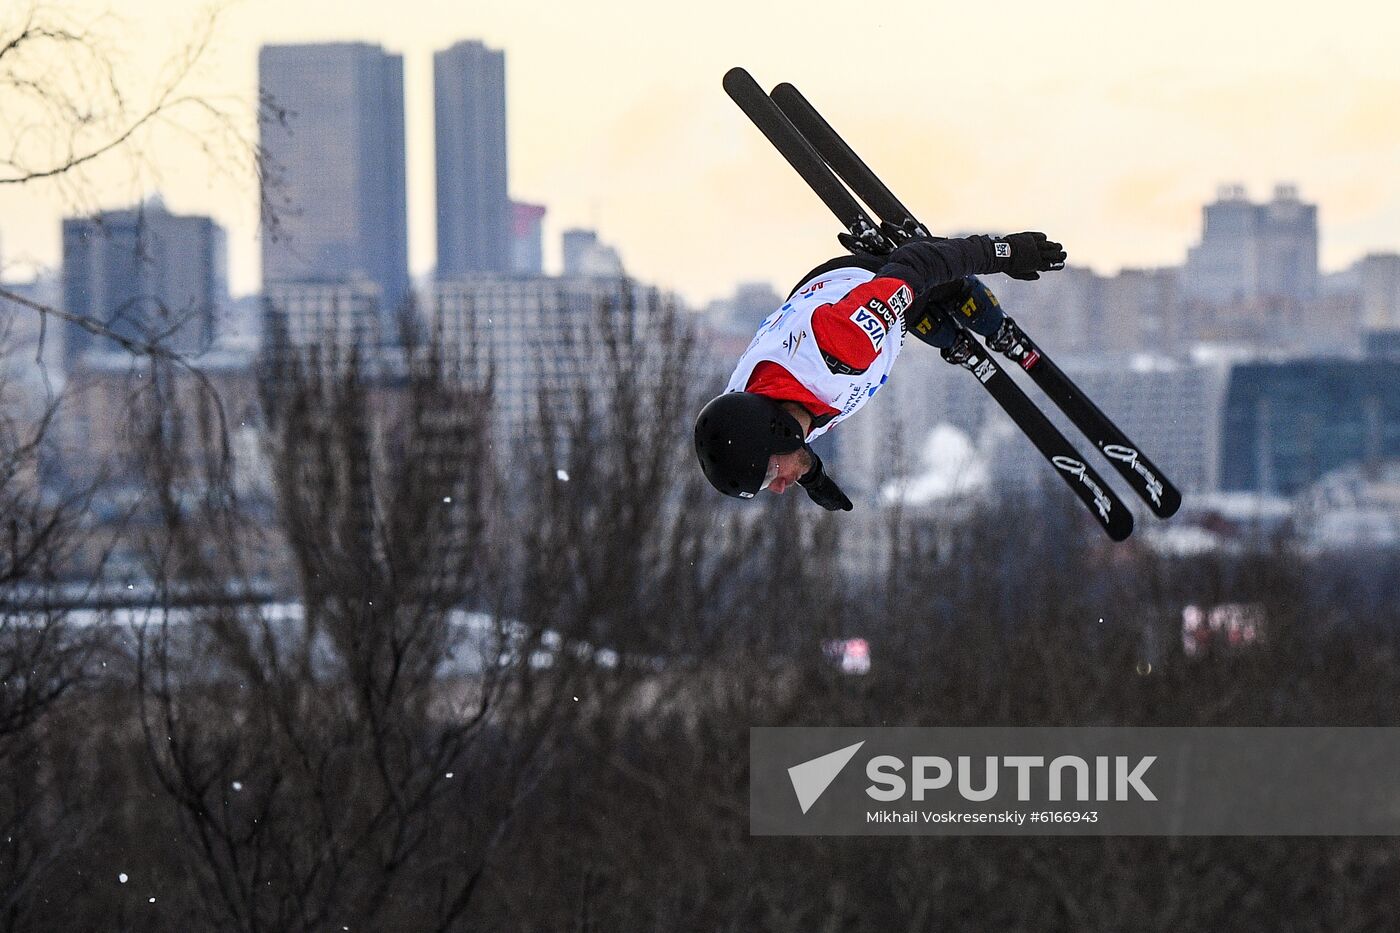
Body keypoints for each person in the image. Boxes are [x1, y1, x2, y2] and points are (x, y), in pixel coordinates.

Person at [693, 232, 1067, 509]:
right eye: (766, 483)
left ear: (778, 430)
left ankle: (995, 328)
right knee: (925, 323)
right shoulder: (752, 405)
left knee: (952, 294)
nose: (776, 487)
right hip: (843, 308)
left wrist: (1006, 253)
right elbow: (762, 433)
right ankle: (944, 334)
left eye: (770, 474)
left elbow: (921, 265)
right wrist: (811, 475)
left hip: (874, 287)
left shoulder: (842, 346)